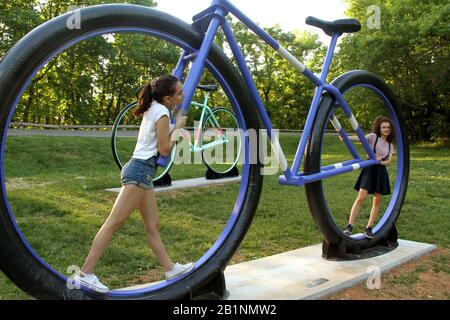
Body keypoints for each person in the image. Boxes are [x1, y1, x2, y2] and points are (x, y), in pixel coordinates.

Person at [74, 75, 194, 293]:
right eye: (179, 93)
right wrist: (179, 130)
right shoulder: (163, 112)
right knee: (114, 223)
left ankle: (170, 269)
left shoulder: (156, 107)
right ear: (168, 98)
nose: (183, 95)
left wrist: (176, 126)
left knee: (153, 225)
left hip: (144, 172)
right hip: (140, 170)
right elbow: (165, 148)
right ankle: (85, 274)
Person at [341, 116, 396, 239]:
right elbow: (359, 138)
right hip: (369, 169)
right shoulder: (373, 137)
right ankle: (349, 226)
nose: (386, 129)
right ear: (379, 128)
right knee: (361, 197)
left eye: (388, 127)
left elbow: (389, 161)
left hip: (381, 171)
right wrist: (346, 138)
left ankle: (369, 228)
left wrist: (379, 162)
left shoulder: (390, 145)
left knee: (377, 200)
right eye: (384, 127)